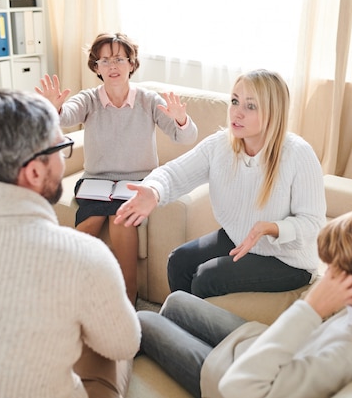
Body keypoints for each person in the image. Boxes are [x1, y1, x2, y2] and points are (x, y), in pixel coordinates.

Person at [0, 90, 141, 398]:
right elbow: (124, 344)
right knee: (127, 331)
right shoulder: (82, 256)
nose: (63, 158)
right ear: (34, 171)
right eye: (61, 147)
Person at [137, 205, 352, 398]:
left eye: (334, 268)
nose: (327, 274)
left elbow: (237, 388)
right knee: (176, 301)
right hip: (261, 342)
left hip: (231, 376)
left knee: (144, 319)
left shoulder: (345, 357)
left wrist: (310, 309)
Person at [114, 69, 326, 298]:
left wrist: (272, 228)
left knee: (207, 278)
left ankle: (195, 329)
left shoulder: (298, 154)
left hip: (288, 259)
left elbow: (313, 223)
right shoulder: (221, 145)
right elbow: (175, 172)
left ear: (273, 113)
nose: (237, 112)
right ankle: (179, 326)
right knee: (179, 261)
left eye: (250, 106)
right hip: (240, 238)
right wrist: (153, 190)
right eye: (235, 101)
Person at [35, 32, 198, 303]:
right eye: (105, 60)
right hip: (96, 182)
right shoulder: (88, 99)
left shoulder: (149, 100)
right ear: (96, 67)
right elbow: (66, 116)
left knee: (121, 219)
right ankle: (63, 286)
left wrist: (182, 119)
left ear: (132, 64)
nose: (112, 66)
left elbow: (186, 137)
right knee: (89, 223)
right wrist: (52, 108)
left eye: (119, 59)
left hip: (137, 183)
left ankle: (127, 296)